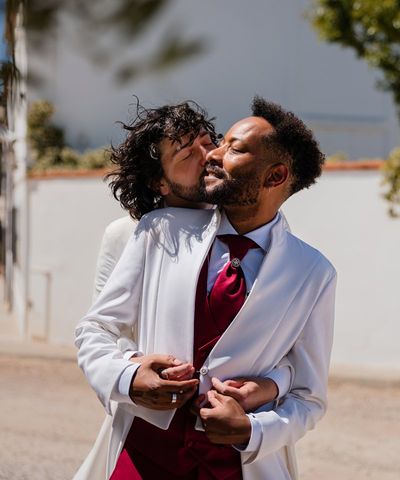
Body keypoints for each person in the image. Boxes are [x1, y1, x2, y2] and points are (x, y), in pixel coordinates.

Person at [75, 97, 336, 479]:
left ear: (276, 176)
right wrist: (129, 377)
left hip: (238, 465)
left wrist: (254, 429)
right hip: (142, 453)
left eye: (234, 148)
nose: (213, 153)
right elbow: (96, 329)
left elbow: (309, 397)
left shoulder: (312, 272)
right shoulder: (159, 230)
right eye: (221, 142)